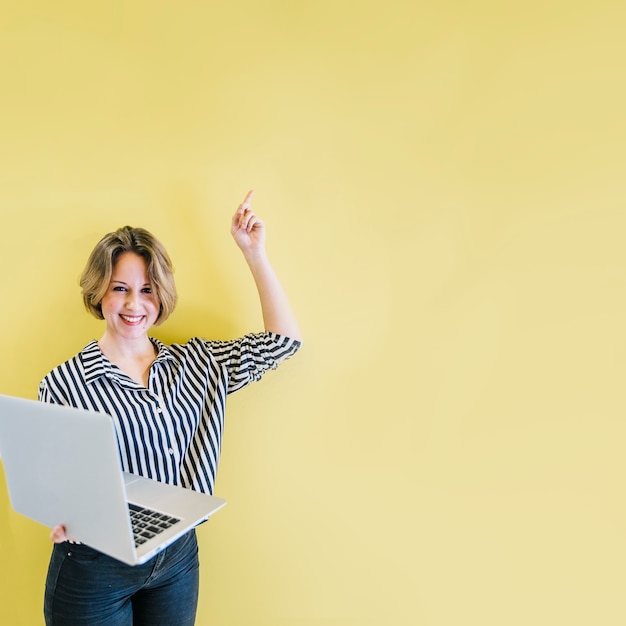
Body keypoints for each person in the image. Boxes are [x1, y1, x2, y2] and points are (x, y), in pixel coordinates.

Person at [39, 190, 302, 625]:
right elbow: (54, 481)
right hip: (96, 567)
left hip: (176, 559)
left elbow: (282, 343)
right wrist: (59, 513)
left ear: (160, 295)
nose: (132, 304)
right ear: (99, 292)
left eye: (146, 290)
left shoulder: (198, 365)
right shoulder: (64, 383)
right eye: (119, 289)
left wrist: (254, 253)